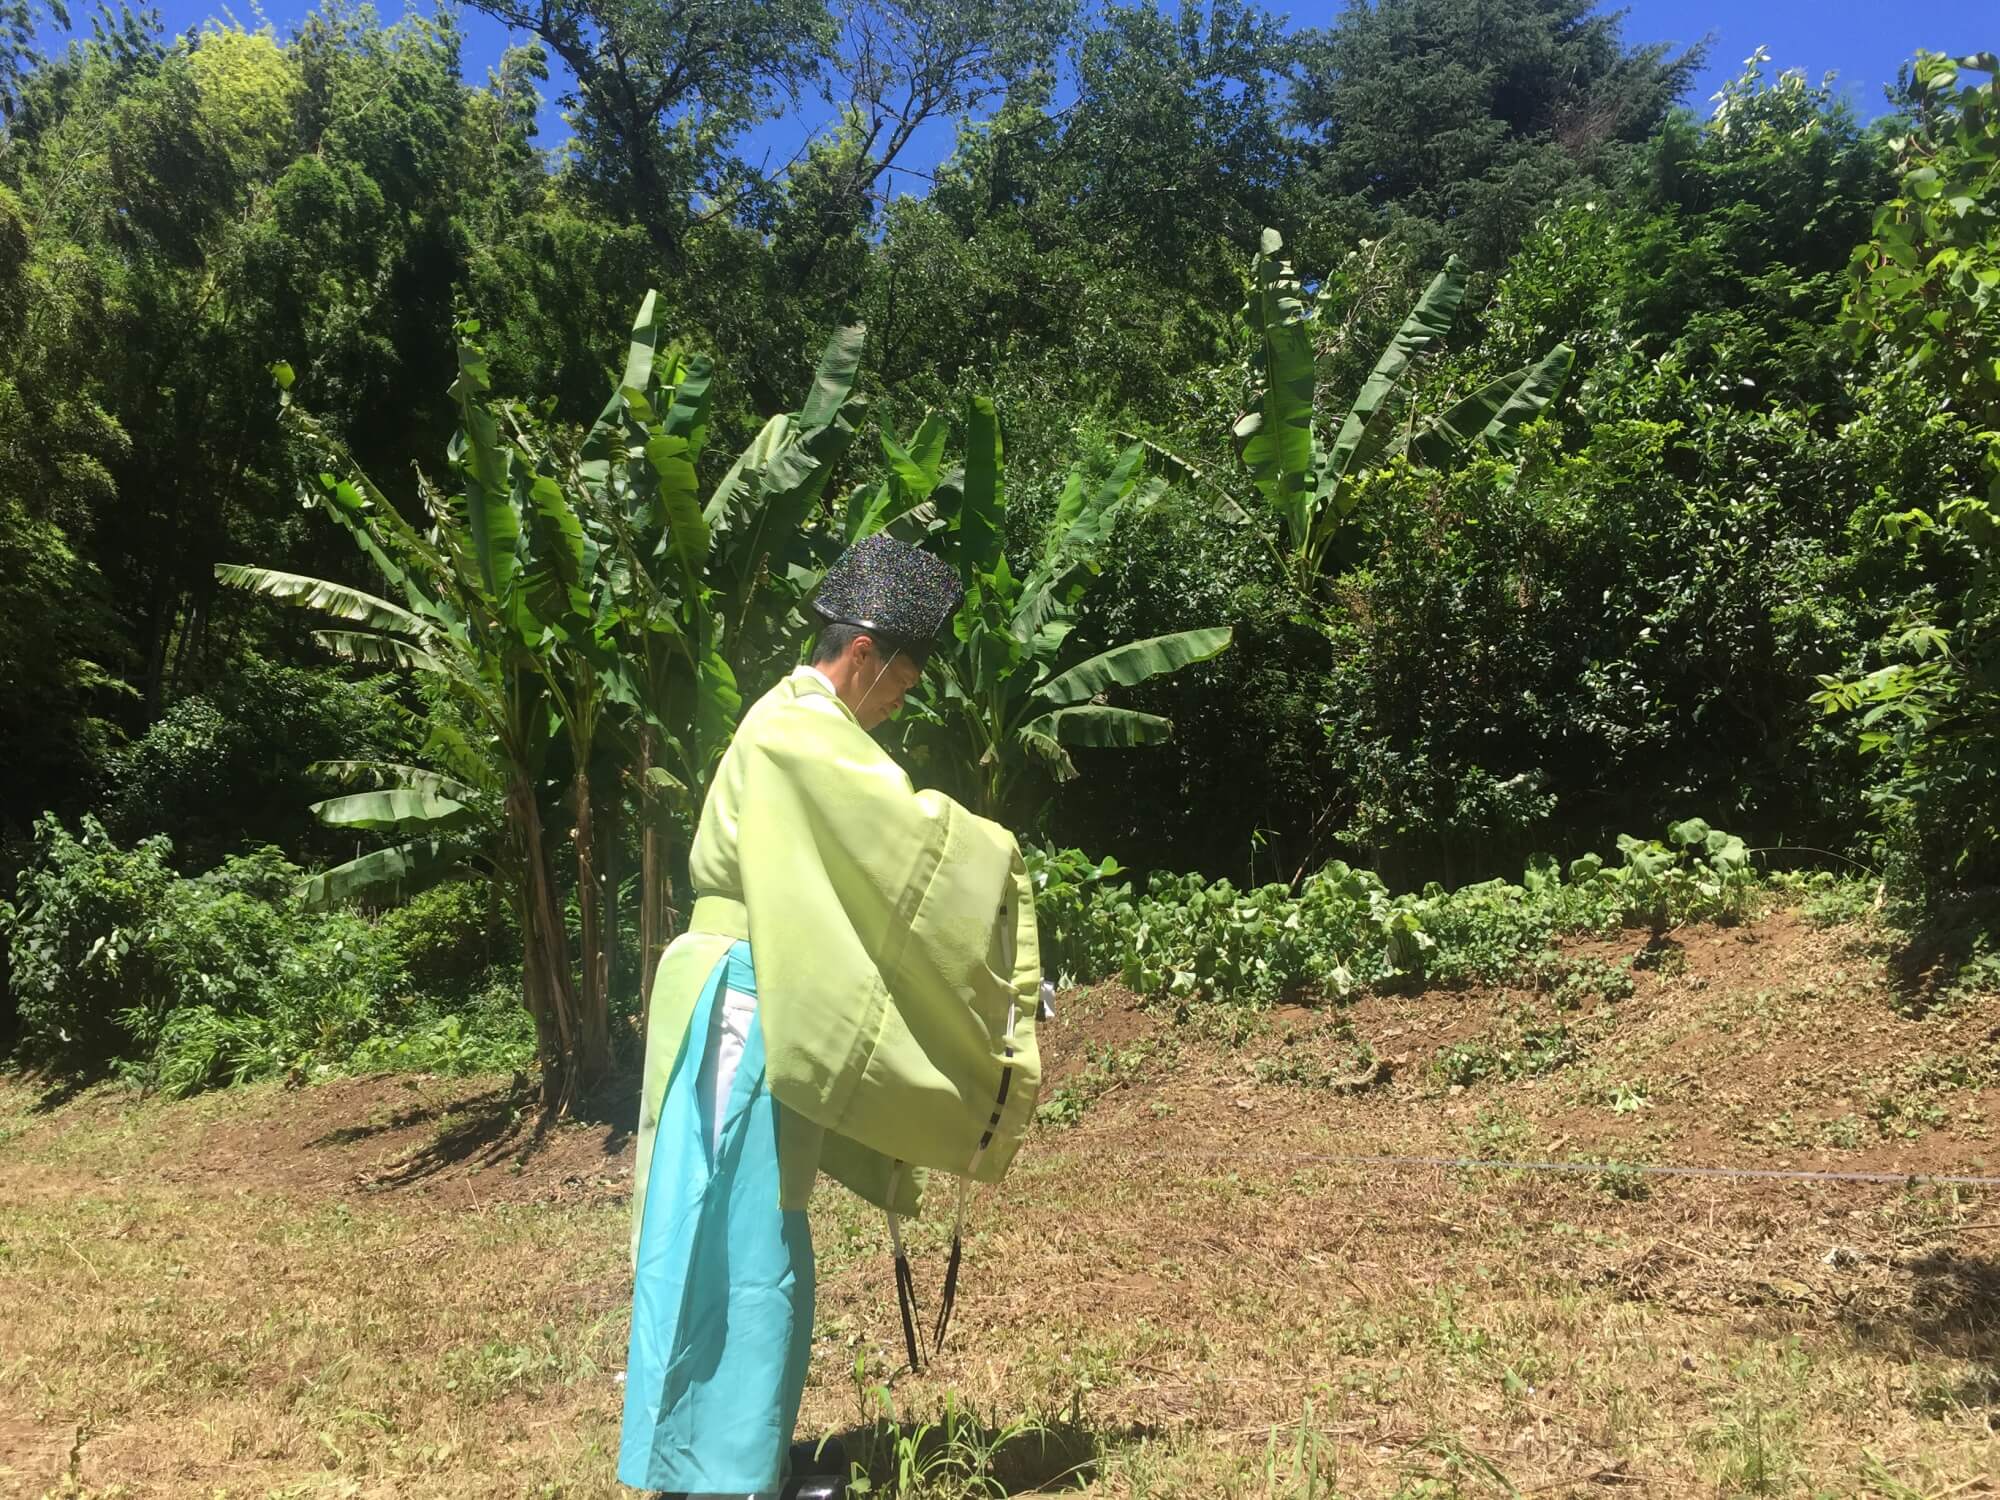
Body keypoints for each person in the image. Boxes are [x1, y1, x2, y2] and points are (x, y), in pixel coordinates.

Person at [618, 534, 1046, 1500]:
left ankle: (736, 1461)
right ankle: (726, 1477)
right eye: (904, 677)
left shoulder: (794, 725)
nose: (904, 698)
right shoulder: (796, 729)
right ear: (865, 652)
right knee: (741, 1238)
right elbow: (899, 839)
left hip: (753, 992)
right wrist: (999, 859)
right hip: (738, 999)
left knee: (759, 1235)